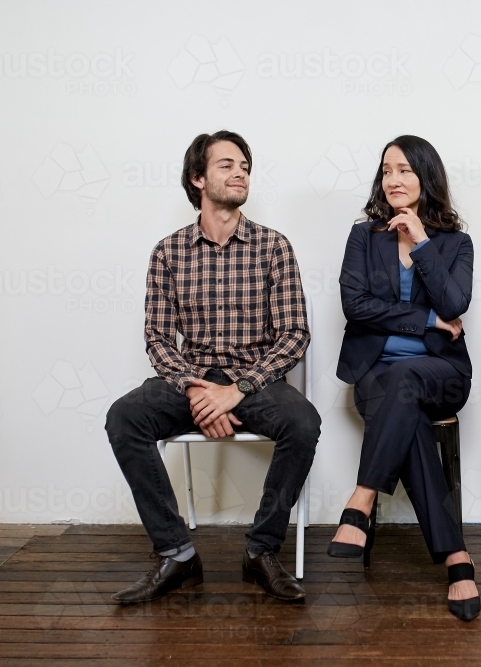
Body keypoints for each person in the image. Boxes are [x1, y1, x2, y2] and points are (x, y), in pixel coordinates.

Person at [105, 130, 320, 605]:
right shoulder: (168, 251)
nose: (240, 171)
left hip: (255, 379)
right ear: (198, 178)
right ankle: (177, 553)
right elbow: (158, 339)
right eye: (226, 164)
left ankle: (261, 552)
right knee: (124, 417)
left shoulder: (273, 247)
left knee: (303, 423)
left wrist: (237, 388)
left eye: (244, 163)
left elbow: (294, 335)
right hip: (192, 378)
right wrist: (196, 392)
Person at [328, 135, 480, 621]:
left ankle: (362, 497)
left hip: (443, 373)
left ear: (426, 178)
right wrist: (425, 321)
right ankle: (457, 558)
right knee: (402, 398)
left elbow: (456, 303)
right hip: (375, 373)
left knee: (409, 379)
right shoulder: (363, 236)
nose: (393, 179)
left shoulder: (456, 244)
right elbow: (356, 307)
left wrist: (422, 242)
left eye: (405, 171)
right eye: (386, 170)